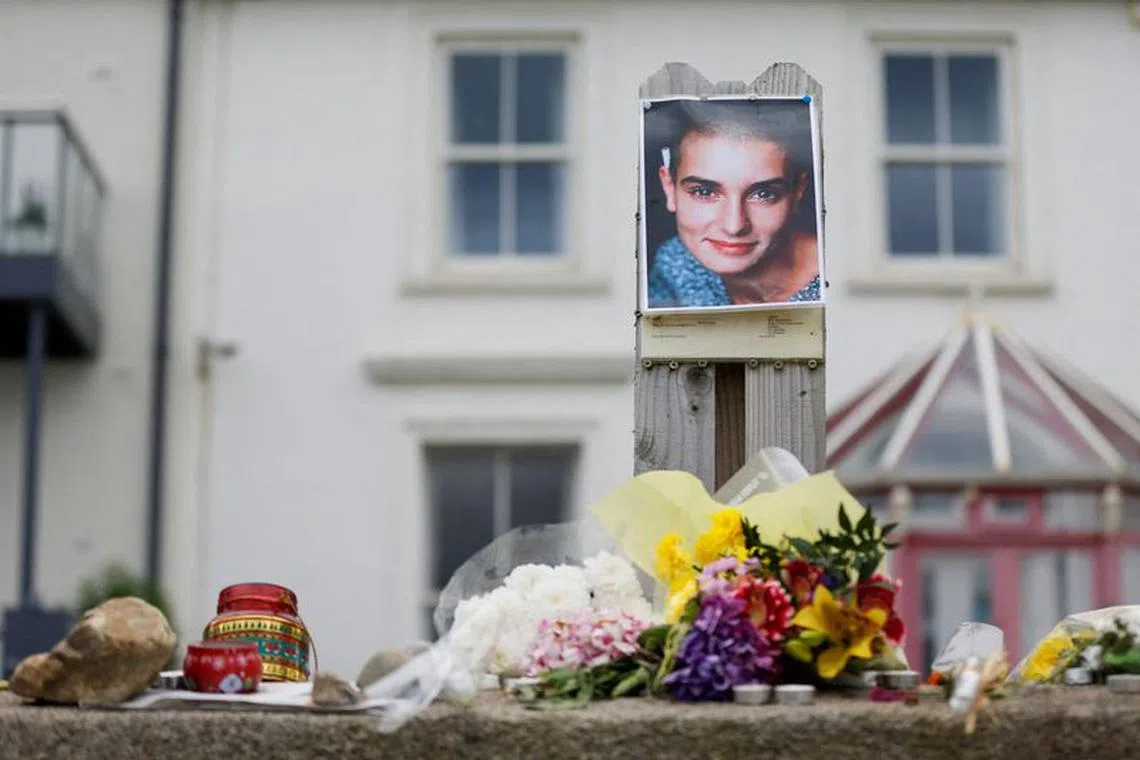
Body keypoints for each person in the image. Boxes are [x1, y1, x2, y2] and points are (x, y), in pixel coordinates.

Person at [646, 101, 820, 309]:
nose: (734, 226)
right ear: (669, 188)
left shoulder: (839, 281)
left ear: (798, 191)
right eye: (704, 192)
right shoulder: (675, 262)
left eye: (763, 194)